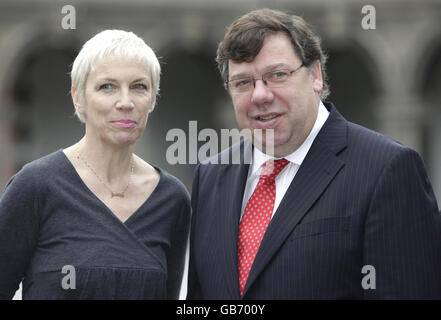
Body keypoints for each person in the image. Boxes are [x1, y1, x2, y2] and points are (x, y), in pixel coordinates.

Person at [187, 8, 441, 299]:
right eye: (243, 82)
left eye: (277, 75)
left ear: (315, 75)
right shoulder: (210, 176)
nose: (259, 95)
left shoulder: (388, 170)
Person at [0, 30, 190, 299]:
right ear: (78, 98)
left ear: (152, 99)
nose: (125, 102)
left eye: (139, 86)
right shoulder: (35, 186)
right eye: (107, 86)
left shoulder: (172, 199)